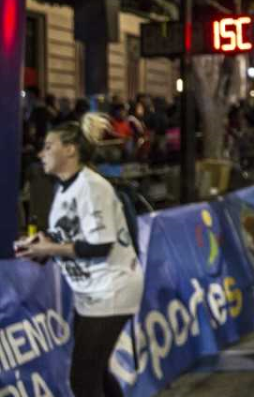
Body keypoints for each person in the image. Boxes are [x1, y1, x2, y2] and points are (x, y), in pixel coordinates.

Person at [17, 114, 144, 397]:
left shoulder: (92, 186)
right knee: (95, 372)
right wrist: (39, 245)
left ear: (70, 149)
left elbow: (99, 245)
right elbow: (69, 237)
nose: (41, 153)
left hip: (111, 289)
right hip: (91, 293)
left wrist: (49, 248)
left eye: (49, 146)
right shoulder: (65, 189)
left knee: (83, 378)